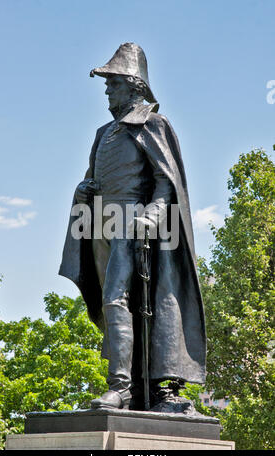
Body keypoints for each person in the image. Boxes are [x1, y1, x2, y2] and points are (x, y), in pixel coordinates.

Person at [59, 43, 206, 411]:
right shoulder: (102, 134)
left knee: (119, 299)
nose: (107, 90)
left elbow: (165, 182)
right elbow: (94, 179)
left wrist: (153, 216)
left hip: (134, 226)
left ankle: (123, 387)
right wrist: (83, 190)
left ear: (133, 85)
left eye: (113, 83)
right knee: (115, 306)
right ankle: (136, 388)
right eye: (106, 84)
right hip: (102, 228)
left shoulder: (154, 124)